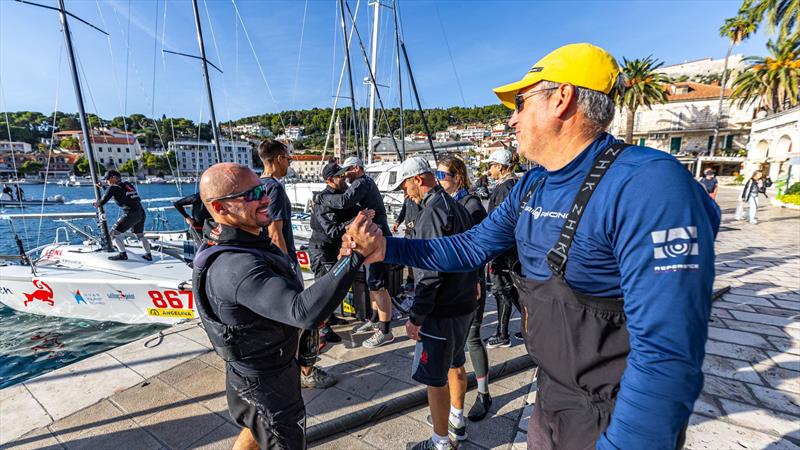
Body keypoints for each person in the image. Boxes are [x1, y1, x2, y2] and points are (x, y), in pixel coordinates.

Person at [342, 43, 720, 450]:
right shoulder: (533, 185)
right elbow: (470, 246)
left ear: (563, 98)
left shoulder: (647, 185)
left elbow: (668, 355)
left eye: (521, 103)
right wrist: (385, 248)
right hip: (551, 395)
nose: (512, 118)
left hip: (613, 411)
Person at [193, 162, 370, 450]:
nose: (265, 199)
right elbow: (303, 311)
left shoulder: (245, 239)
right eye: (251, 195)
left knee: (256, 429)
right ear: (220, 208)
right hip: (263, 384)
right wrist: (355, 256)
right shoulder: (235, 266)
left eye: (261, 189)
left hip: (268, 371)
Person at [388, 156, 477, 450]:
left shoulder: (431, 215)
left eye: (405, 186)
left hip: (442, 311)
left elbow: (430, 274)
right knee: (457, 363)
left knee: (435, 378)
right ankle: (457, 420)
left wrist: (416, 318)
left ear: (418, 179)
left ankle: (440, 442)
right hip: (464, 304)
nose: (405, 193)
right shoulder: (456, 207)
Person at [258, 139, 336, 390]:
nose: (289, 165)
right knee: (303, 319)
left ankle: (287, 367)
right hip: (281, 264)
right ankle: (307, 372)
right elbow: (275, 232)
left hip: (264, 264)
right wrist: (289, 268)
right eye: (288, 160)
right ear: (278, 158)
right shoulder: (276, 190)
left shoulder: (256, 186)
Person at [435, 155, 493, 421]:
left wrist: (477, 281)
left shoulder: (471, 206)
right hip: (453, 287)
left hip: (471, 285)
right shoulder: (447, 203)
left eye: (442, 175)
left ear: (458, 177)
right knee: (455, 348)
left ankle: (483, 394)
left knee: (471, 339)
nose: (438, 180)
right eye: (436, 174)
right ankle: (454, 402)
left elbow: (479, 249)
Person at [318, 156, 395, 348]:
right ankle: (375, 319)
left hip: (376, 239)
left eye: (346, 170)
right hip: (370, 239)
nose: (345, 174)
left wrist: (319, 197)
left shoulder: (362, 182)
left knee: (378, 285)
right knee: (372, 283)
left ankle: (385, 331)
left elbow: (344, 201)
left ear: (356, 168)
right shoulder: (363, 182)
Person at [308, 161, 359, 345]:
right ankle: (322, 327)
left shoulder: (341, 195)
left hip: (334, 249)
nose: (345, 177)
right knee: (323, 290)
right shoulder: (324, 201)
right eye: (340, 176)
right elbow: (332, 230)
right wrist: (357, 219)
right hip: (321, 250)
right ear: (330, 180)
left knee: (335, 288)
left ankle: (330, 317)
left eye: (345, 174)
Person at [483, 148, 522, 349]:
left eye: (491, 165)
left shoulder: (504, 188)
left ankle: (502, 334)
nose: (489, 169)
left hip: (503, 250)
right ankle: (528, 327)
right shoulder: (515, 184)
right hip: (513, 249)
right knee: (512, 291)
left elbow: (501, 223)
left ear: (499, 166)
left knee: (502, 291)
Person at [93, 170, 153, 261]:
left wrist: (95, 204)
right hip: (140, 212)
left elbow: (102, 202)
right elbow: (117, 193)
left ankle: (122, 255)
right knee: (140, 235)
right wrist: (103, 187)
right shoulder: (127, 184)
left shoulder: (113, 188)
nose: (106, 181)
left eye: (107, 179)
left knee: (113, 234)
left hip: (130, 213)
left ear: (114, 177)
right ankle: (148, 255)